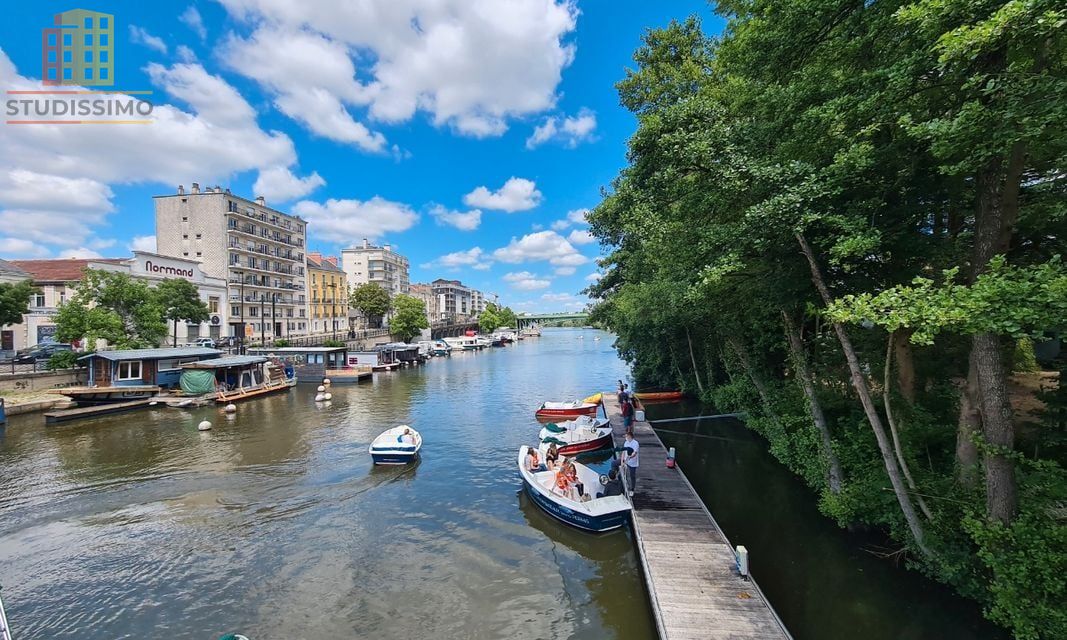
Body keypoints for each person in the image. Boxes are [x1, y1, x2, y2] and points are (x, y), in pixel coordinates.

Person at [622, 429, 640, 497]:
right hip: (626, 462)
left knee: (632, 476)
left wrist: (630, 457)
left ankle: (632, 489)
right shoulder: (626, 442)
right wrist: (622, 461)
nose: (625, 437)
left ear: (630, 436)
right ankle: (626, 486)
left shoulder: (635, 443)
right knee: (625, 474)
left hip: (633, 462)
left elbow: (635, 453)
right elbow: (623, 452)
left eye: (626, 436)